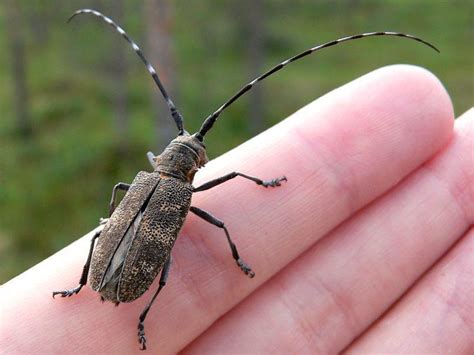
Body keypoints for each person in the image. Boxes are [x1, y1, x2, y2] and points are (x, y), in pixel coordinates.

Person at [1, 65, 472, 354]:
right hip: (132, 265)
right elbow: (212, 218)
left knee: (106, 234)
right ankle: (138, 315)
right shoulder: (175, 193)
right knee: (191, 238)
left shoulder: (144, 182)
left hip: (122, 258)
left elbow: (119, 207)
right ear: (194, 164)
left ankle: (85, 287)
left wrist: (115, 215)